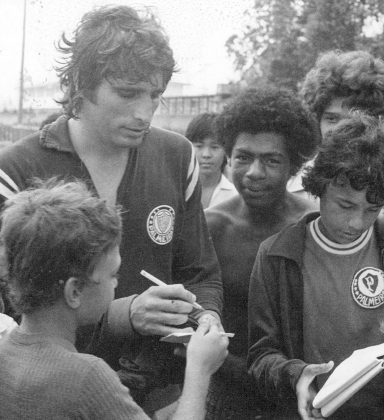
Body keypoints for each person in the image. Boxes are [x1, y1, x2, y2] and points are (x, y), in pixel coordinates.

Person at [0, 5, 223, 414]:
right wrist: (122, 316)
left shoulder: (177, 156)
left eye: (155, 94)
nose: (145, 111)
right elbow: (12, 313)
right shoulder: (15, 171)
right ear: (81, 86)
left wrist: (206, 317)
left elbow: (200, 272)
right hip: (58, 398)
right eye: (127, 92)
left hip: (166, 395)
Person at [0, 180, 229, 420]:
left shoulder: (5, 352)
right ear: (75, 291)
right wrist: (199, 372)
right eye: (112, 274)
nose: (117, 283)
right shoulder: (88, 377)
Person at [248, 114, 384, 420]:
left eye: (372, 209)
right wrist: (297, 375)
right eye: (345, 205)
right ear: (319, 187)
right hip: (314, 411)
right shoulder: (276, 256)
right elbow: (260, 356)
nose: (357, 222)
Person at [204, 86, 320, 419]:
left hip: (297, 396)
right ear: (229, 156)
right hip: (226, 396)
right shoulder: (212, 226)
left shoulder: (312, 226)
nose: (254, 172)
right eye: (243, 157)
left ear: (293, 166)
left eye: (271, 160)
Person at [287, 49, 384, 198]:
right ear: (317, 121)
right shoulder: (291, 188)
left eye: (353, 119)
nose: (341, 130)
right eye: (332, 119)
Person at [185, 112, 237, 208]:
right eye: (199, 146)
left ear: (226, 151)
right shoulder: (176, 191)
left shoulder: (235, 197)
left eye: (215, 147)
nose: (206, 155)